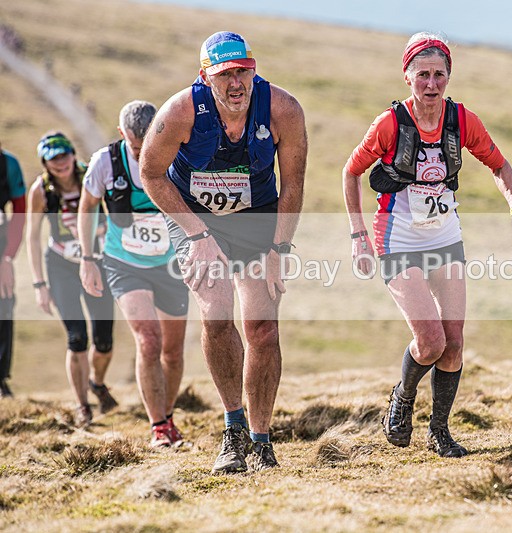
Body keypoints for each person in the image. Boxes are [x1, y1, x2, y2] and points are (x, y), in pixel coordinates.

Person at [343, 32, 512, 457]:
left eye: (439, 75)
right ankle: (402, 397)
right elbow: (351, 172)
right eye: (422, 75)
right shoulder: (390, 124)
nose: (431, 84)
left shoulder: (462, 120)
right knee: (430, 340)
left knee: (454, 343)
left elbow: (499, 164)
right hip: (396, 238)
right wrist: (358, 237)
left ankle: (439, 431)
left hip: (445, 236)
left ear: (448, 76)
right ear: (407, 77)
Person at [139, 31, 307, 472]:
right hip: (195, 216)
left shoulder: (282, 109)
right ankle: (232, 431)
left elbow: (293, 185)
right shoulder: (179, 112)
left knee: (263, 328)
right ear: (205, 77)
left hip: (256, 217)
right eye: (225, 74)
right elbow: (151, 174)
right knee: (216, 312)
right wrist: (196, 235)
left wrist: (278, 249)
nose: (236, 83)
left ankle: (262, 439)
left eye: (243, 72)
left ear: (254, 70)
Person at [78, 101, 189, 447]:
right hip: (124, 263)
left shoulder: (176, 155)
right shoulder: (104, 164)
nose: (143, 154)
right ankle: (158, 427)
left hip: (171, 265)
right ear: (121, 134)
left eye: (148, 145)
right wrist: (87, 258)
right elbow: (87, 207)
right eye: (136, 147)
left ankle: (167, 418)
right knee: (149, 339)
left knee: (172, 350)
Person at [26, 132, 117, 427]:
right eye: (53, 158)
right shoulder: (41, 191)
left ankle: (97, 383)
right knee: (76, 338)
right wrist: (39, 285)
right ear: (45, 162)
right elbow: (32, 237)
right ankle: (82, 406)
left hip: (97, 262)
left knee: (104, 341)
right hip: (61, 265)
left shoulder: (91, 175)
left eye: (64, 155)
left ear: (72, 154)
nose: (61, 163)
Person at [0, 141, 26, 398]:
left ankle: (1, 379)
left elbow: (19, 212)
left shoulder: (9, 164)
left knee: (4, 304)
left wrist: (7, 258)